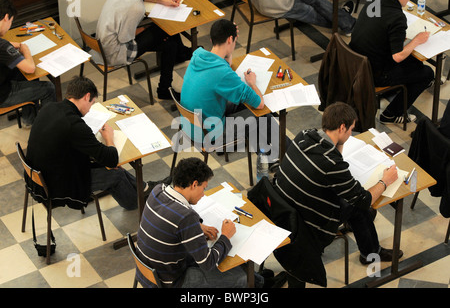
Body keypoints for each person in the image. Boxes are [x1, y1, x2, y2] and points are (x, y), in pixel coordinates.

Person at [274, 102, 400, 286]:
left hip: (284, 207)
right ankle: (371, 252)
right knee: (359, 207)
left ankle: (368, 244)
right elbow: (364, 199)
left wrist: (338, 144)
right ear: (342, 127)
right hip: (309, 222)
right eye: (350, 130)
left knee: (356, 206)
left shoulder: (304, 135)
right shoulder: (331, 165)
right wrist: (385, 181)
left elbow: (332, 160)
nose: (351, 134)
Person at [25, 76, 162, 211]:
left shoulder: (50, 107)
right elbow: (112, 160)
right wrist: (109, 138)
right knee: (115, 172)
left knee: (104, 163)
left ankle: (143, 188)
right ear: (86, 96)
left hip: (39, 175)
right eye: (92, 103)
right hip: (56, 184)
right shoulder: (74, 125)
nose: (90, 109)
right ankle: (134, 202)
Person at [136, 157, 267, 288]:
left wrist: (197, 226)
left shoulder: (158, 190)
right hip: (170, 281)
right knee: (241, 278)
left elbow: (169, 219)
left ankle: (260, 281)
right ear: (194, 184)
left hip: (147, 270)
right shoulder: (186, 217)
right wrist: (225, 236)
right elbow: (208, 263)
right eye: (203, 188)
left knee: (224, 260)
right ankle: (258, 283)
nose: (203, 194)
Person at [180, 19, 284, 161]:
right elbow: (259, 103)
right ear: (230, 39)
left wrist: (228, 45)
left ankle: (269, 156)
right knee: (262, 114)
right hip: (209, 133)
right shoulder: (222, 73)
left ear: (212, 39)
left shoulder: (198, 56)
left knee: (249, 107)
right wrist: (252, 83)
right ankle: (284, 157)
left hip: (190, 124)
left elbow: (225, 65)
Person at [350, 0, 434, 125]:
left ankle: (398, 88)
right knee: (427, 73)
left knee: (416, 64)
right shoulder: (397, 17)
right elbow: (398, 57)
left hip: (356, 61)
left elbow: (376, 24)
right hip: (374, 73)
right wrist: (416, 40)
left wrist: (395, 35)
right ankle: (391, 115)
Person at [96, 0, 192, 100]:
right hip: (117, 51)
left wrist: (163, 0)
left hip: (103, 41)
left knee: (170, 44)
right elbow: (125, 37)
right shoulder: (136, 7)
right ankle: (180, 56)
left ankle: (178, 59)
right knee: (164, 29)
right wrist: (146, 28)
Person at [0, 0, 56, 126]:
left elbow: (4, 48)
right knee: (48, 88)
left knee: (27, 76)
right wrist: (26, 50)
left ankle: (29, 118)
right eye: (11, 22)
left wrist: (9, 45)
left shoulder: (3, 45)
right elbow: (30, 67)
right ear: (6, 17)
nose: (10, 26)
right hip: (2, 93)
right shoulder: (2, 46)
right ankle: (49, 129)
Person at [247, 0, 356, 36]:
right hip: (277, 5)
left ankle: (344, 18)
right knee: (314, 13)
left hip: (258, 0)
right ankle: (346, 21)